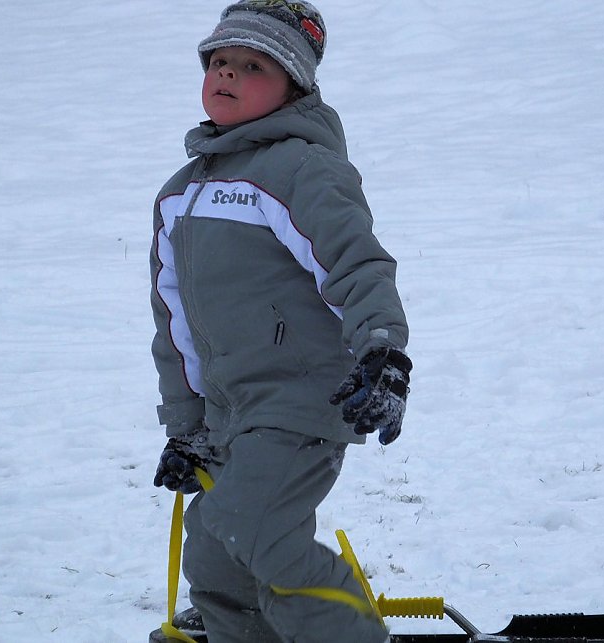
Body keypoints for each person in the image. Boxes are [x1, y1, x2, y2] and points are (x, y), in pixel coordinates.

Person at [150, 2, 411, 641]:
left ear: (293, 86)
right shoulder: (179, 194)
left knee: (257, 528)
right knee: (215, 554)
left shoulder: (302, 168)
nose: (228, 74)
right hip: (227, 412)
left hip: (301, 398)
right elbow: (174, 322)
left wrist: (384, 350)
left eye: (253, 65)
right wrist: (187, 427)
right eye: (219, 61)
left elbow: (356, 263)